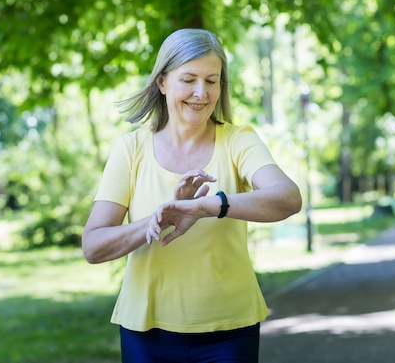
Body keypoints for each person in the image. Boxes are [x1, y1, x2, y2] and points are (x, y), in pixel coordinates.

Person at [82, 28, 302, 363]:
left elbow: (288, 198)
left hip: (230, 330)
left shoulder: (238, 140)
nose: (201, 93)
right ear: (162, 82)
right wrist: (156, 221)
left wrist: (205, 207)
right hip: (147, 331)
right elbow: (94, 246)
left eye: (212, 81)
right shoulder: (131, 149)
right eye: (189, 79)